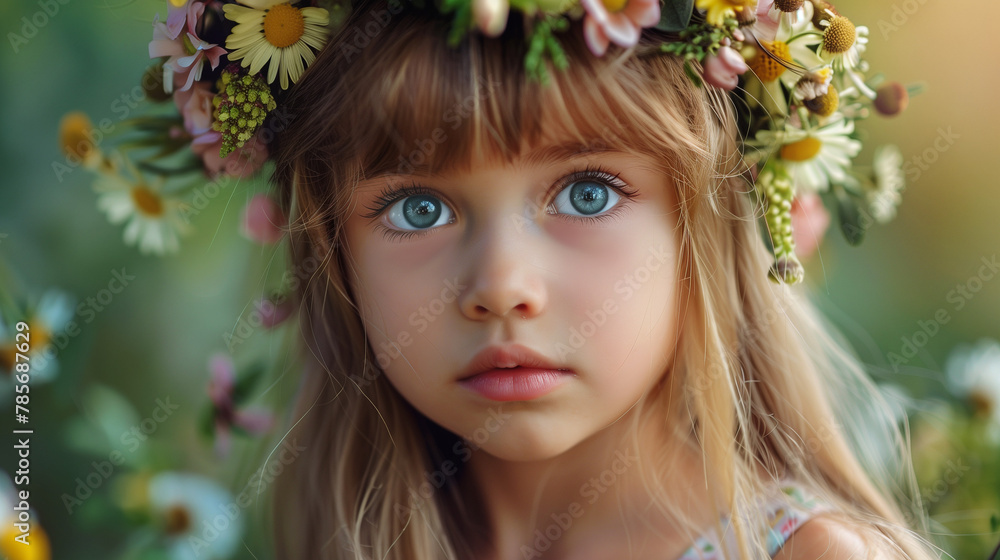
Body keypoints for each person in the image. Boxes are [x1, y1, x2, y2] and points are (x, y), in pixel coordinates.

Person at [255, 0, 939, 558]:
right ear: (334, 255)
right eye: (419, 209)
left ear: (706, 223)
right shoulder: (338, 541)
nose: (501, 285)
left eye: (588, 193)